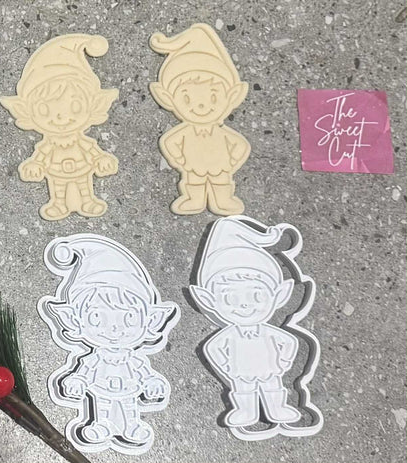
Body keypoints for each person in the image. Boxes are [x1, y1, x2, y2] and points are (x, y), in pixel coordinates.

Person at [39, 235, 180, 451]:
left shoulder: (133, 360)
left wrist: (152, 382)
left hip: (129, 390)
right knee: (102, 407)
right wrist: (77, 381)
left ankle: (131, 427)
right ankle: (101, 425)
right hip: (101, 389)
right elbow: (83, 372)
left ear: (149, 320)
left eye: (128, 318)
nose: (114, 328)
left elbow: (145, 373)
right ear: (75, 319)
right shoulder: (94, 359)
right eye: (97, 318)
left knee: (129, 409)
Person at [190, 217, 301, 426]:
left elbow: (289, 342)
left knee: (272, 385)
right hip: (240, 371)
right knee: (244, 389)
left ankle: (277, 408)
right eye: (230, 298)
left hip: (269, 367)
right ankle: (246, 412)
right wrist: (226, 367)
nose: (244, 305)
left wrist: (284, 361)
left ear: (279, 295)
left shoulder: (268, 332)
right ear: (208, 300)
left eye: (257, 296)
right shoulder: (229, 334)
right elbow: (212, 348)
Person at [1, 34, 118, 220]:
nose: (60, 117)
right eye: (45, 109)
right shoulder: (49, 145)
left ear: (93, 104)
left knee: (84, 187)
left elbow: (93, 151)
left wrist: (101, 159)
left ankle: (88, 201)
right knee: (58, 189)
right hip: (56, 172)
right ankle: (58, 204)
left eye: (75, 106)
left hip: (82, 169)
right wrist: (35, 164)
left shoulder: (81, 141)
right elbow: (40, 156)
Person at [150, 23, 251, 215]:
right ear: (167, 98)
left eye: (213, 97)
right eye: (187, 98)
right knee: (194, 181)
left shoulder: (222, 133)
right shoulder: (185, 132)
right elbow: (170, 143)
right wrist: (180, 159)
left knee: (221, 181)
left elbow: (241, 145)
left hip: (220, 164)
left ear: (232, 95)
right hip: (193, 164)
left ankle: (223, 200)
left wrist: (232, 160)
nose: (201, 106)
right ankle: (194, 200)